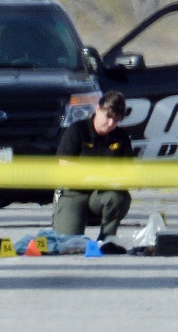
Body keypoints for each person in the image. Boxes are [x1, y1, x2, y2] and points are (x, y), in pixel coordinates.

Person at [52, 90, 132, 254]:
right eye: (108, 117)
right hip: (74, 192)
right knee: (69, 245)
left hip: (101, 194)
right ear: (98, 109)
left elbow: (127, 171)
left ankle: (107, 239)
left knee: (119, 197)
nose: (111, 123)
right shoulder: (77, 130)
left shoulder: (121, 137)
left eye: (116, 120)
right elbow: (64, 165)